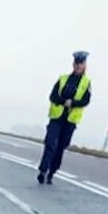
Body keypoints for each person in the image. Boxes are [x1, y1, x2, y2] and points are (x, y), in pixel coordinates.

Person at [37, 51, 92, 184]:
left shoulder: (86, 82)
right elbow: (53, 96)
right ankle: (43, 170)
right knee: (50, 143)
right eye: (76, 63)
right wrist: (63, 102)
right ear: (73, 64)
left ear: (84, 65)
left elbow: (85, 101)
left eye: (81, 64)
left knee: (61, 146)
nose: (78, 66)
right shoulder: (63, 79)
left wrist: (72, 103)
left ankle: (52, 171)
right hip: (57, 117)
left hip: (70, 120)